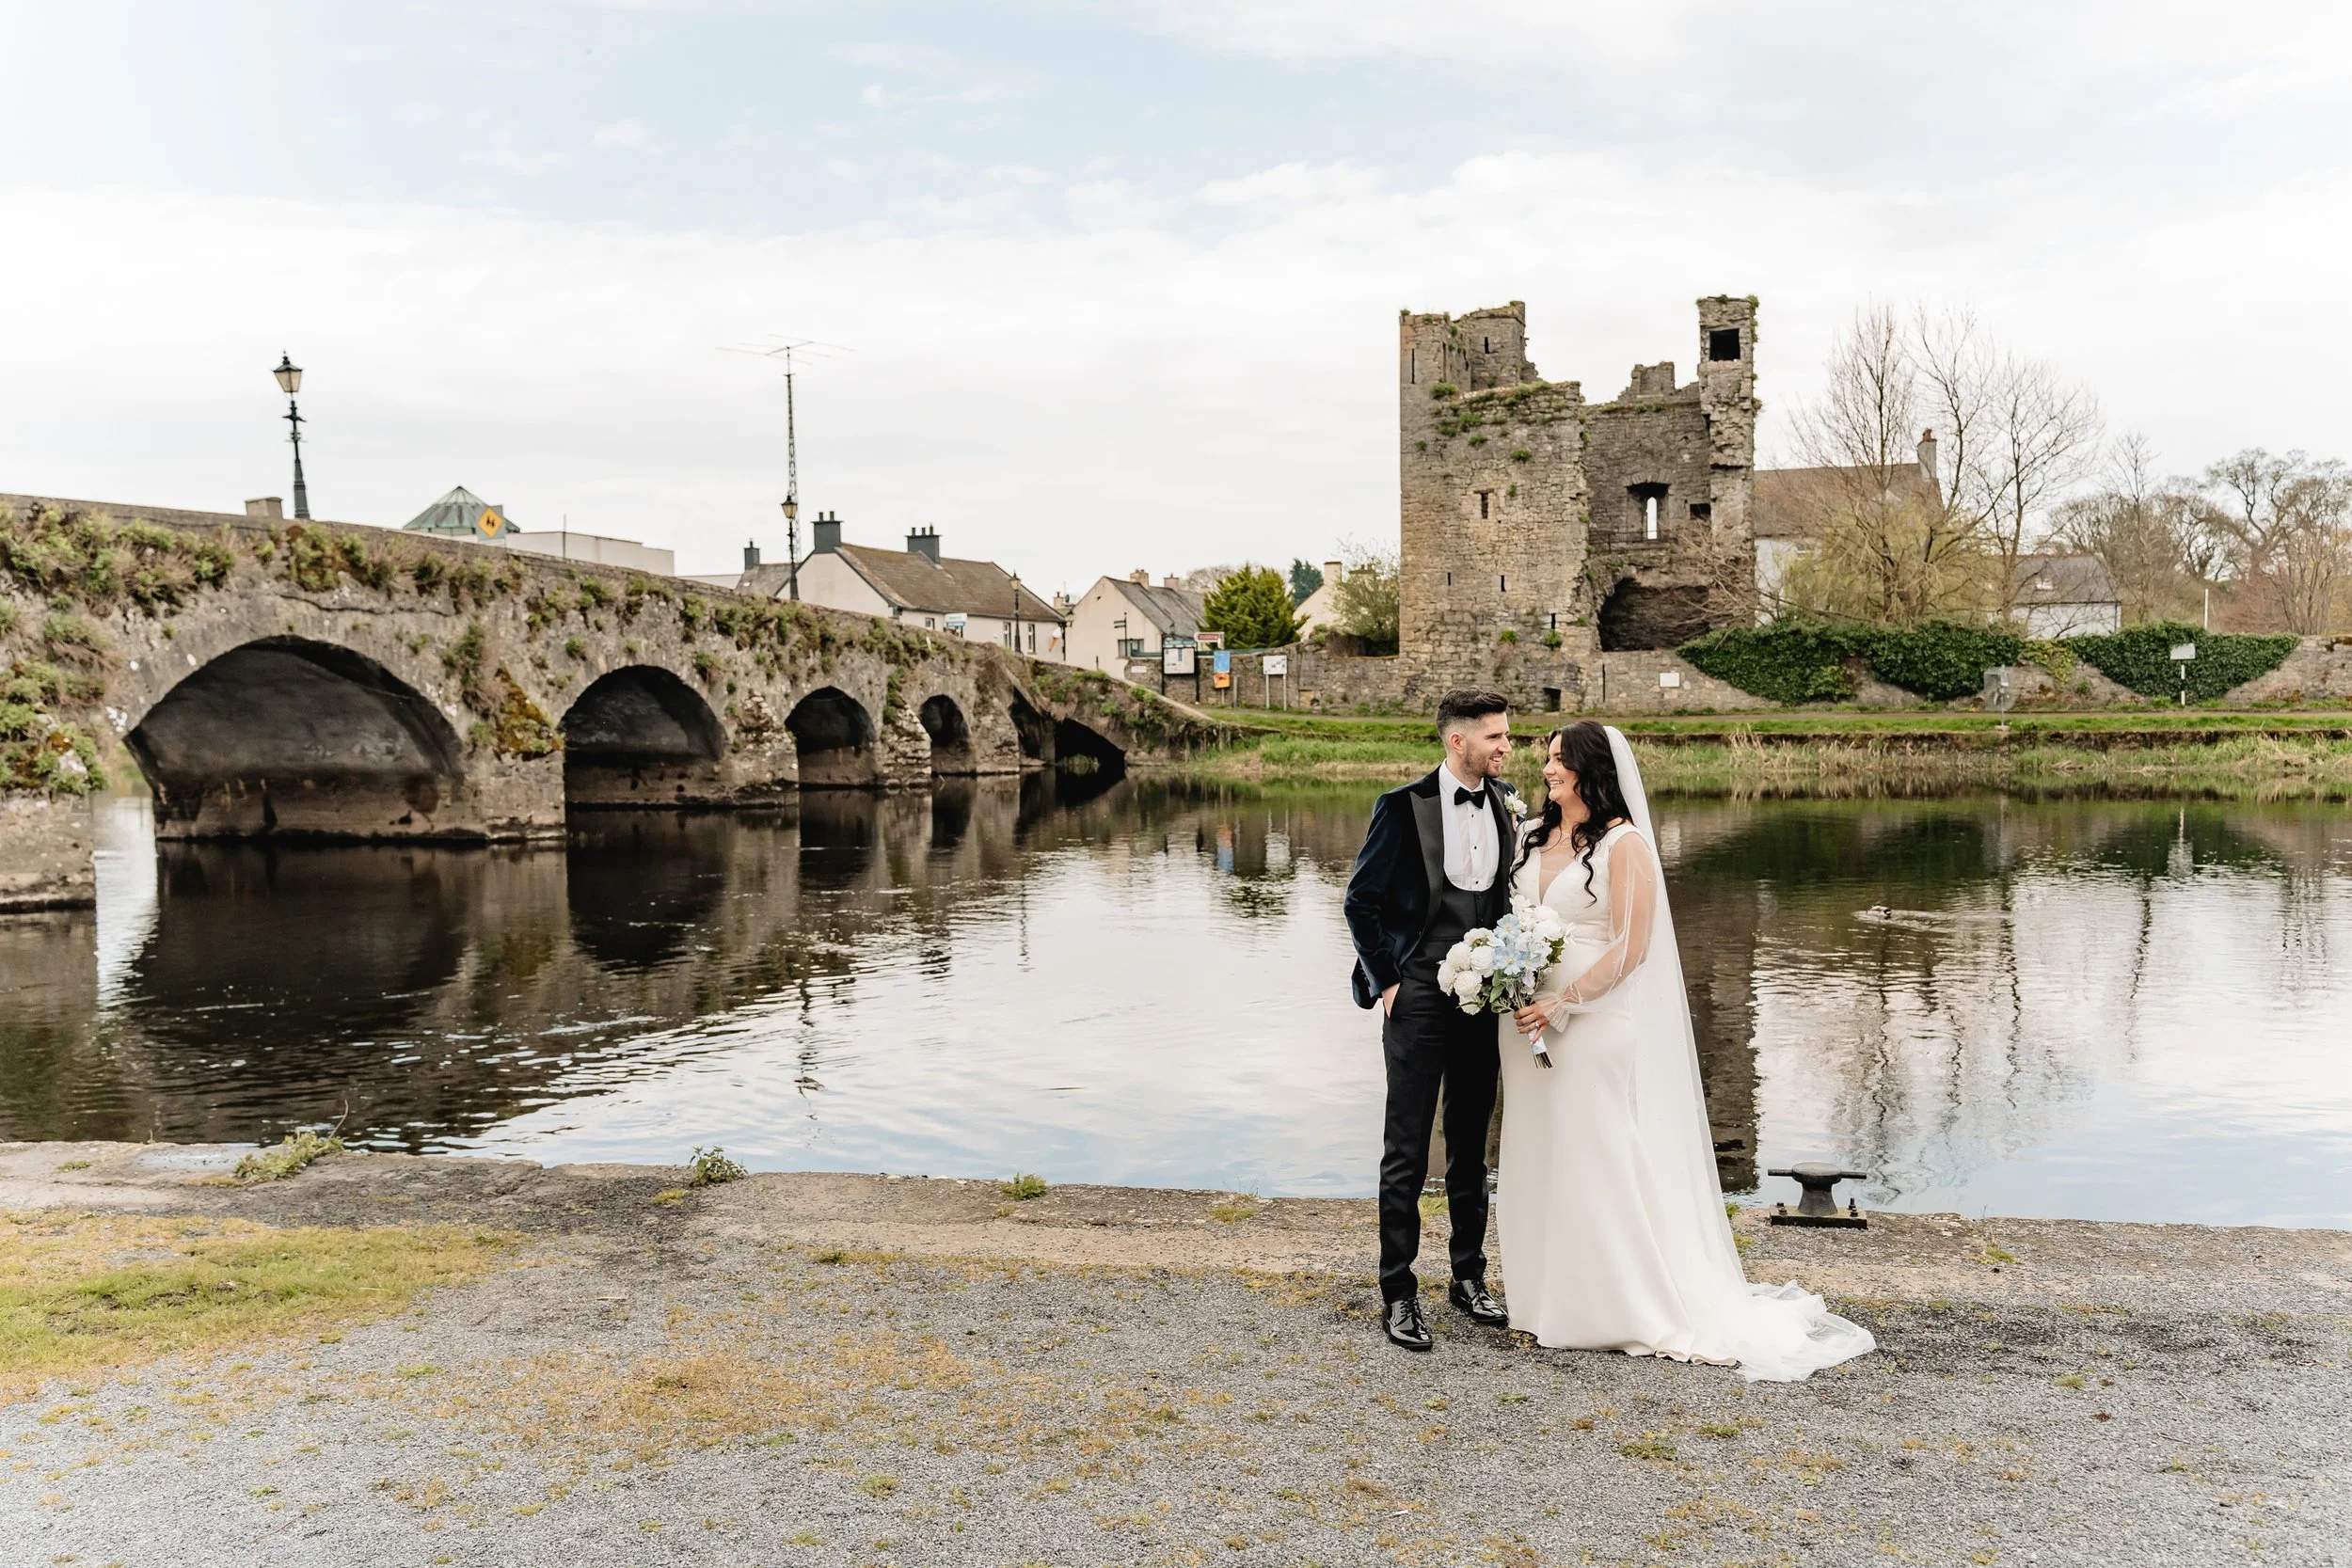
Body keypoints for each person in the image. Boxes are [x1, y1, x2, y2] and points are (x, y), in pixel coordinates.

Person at [1499, 721, 1875, 1382]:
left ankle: (1616, 1304)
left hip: (1587, 1022)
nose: (1548, 767)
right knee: (1539, 1150)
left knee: (1596, 1154)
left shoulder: (1626, 844)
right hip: (1524, 1020)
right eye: (1547, 758)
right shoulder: (1530, 835)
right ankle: (1543, 1298)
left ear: (1591, 769)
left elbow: (1632, 946)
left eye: (1560, 759)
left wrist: (1565, 1002)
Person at [1343, 688, 1521, 1352]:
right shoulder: (1402, 806)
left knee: (1472, 1146)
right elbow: (1360, 903)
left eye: (1507, 736)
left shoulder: (1505, 807)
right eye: (1496, 737)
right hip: (1415, 993)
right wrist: (1387, 980)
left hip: (1483, 1000)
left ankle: (1468, 1278)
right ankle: (1398, 1292)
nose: (1506, 747)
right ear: (1458, 741)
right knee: (1408, 1150)